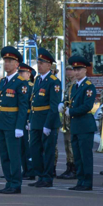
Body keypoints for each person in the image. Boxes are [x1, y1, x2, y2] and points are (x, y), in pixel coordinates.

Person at [0, 46, 30, 194]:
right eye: (5, 61)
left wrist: (19, 127)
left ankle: (16, 184)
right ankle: (9, 182)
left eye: (10, 61)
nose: (6, 64)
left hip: (13, 123)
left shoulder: (21, 82)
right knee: (4, 155)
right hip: (2, 122)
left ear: (17, 64)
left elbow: (23, 106)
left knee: (13, 155)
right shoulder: (2, 82)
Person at [28, 48, 62, 188]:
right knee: (35, 150)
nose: (39, 65)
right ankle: (40, 175)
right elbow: (33, 101)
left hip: (47, 122)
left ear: (49, 65)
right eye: (38, 62)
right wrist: (30, 119)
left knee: (47, 151)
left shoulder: (53, 81)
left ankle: (47, 178)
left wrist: (48, 125)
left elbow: (54, 106)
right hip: (36, 120)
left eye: (42, 63)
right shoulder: (37, 80)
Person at [65, 55, 97, 191]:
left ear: (85, 70)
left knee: (85, 155)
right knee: (77, 156)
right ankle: (80, 180)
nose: (76, 72)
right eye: (74, 69)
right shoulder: (74, 87)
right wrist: (64, 105)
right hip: (76, 125)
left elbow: (87, 106)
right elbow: (69, 101)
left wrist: (71, 112)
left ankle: (87, 182)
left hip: (85, 124)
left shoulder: (88, 87)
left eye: (79, 69)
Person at [57, 64, 77, 180]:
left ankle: (73, 168)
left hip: (72, 119)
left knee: (71, 145)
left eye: (71, 70)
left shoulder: (75, 85)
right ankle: (69, 167)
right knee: (67, 144)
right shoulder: (69, 85)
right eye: (67, 70)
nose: (69, 72)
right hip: (67, 120)